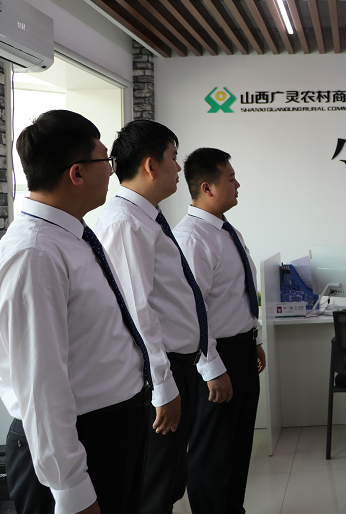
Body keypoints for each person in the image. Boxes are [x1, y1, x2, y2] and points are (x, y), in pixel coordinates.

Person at [0, 110, 150, 514]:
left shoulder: (72, 236)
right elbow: (40, 384)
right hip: (77, 444)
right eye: (106, 160)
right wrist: (70, 487)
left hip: (110, 431)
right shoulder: (34, 253)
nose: (113, 171)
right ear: (77, 173)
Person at [94, 120, 224, 514]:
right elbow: (137, 311)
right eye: (173, 157)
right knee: (155, 488)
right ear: (151, 166)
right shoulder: (125, 222)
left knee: (169, 482)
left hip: (177, 367)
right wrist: (162, 387)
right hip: (160, 375)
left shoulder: (145, 217)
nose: (179, 167)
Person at [174, 148, 267, 514]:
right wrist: (212, 368)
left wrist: (255, 339)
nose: (237, 184)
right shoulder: (192, 238)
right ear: (207, 187)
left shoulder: (226, 230)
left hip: (240, 351)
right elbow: (191, 312)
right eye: (231, 178)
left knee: (238, 446)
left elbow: (235, 296)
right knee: (212, 453)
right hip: (216, 357)